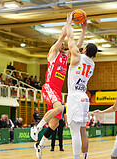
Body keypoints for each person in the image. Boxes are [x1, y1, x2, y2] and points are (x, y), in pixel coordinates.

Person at [31, 13, 87, 159]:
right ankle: (37, 127)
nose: (64, 44)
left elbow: (78, 46)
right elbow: (63, 37)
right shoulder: (53, 53)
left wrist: (83, 30)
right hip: (49, 87)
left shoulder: (65, 56)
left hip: (57, 91)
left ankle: (40, 144)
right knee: (60, 108)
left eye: (64, 44)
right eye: (62, 43)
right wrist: (67, 24)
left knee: (55, 123)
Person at [66, 12, 97, 159]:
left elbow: (71, 39)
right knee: (83, 130)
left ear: (84, 50)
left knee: (74, 132)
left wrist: (69, 23)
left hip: (75, 97)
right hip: (84, 97)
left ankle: (76, 158)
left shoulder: (77, 57)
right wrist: (84, 30)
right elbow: (75, 45)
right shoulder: (92, 64)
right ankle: (84, 156)